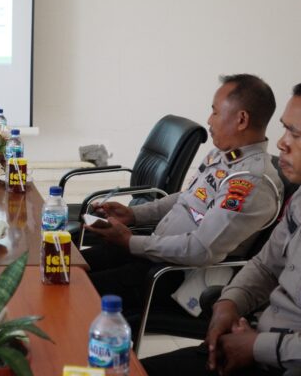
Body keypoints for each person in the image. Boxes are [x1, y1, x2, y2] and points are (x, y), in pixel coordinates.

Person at [83, 74, 282, 321]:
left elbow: (200, 250)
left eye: (215, 112)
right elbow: (188, 197)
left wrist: (131, 242)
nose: (209, 120)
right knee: (71, 265)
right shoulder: (226, 156)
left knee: (77, 290)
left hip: (173, 276)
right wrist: (135, 214)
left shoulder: (252, 182)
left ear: (241, 119)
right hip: (155, 252)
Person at [141, 84, 301, 376]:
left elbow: (201, 247)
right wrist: (229, 302)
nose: (282, 143)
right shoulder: (299, 201)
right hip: (256, 341)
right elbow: (265, 266)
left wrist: (257, 346)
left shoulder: (253, 179)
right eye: (285, 130)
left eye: (296, 134)